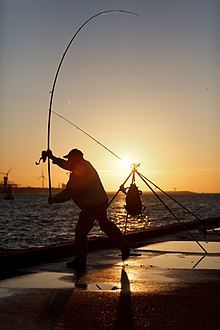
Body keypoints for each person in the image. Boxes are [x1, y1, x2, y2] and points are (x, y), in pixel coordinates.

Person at [47, 148, 130, 270]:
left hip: (92, 205)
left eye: (69, 158)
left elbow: (70, 192)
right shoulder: (83, 165)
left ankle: (80, 261)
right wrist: (53, 158)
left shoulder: (80, 171)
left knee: (81, 231)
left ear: (75, 158)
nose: (68, 160)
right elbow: (68, 166)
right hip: (100, 201)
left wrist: (53, 199)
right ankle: (124, 247)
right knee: (105, 225)